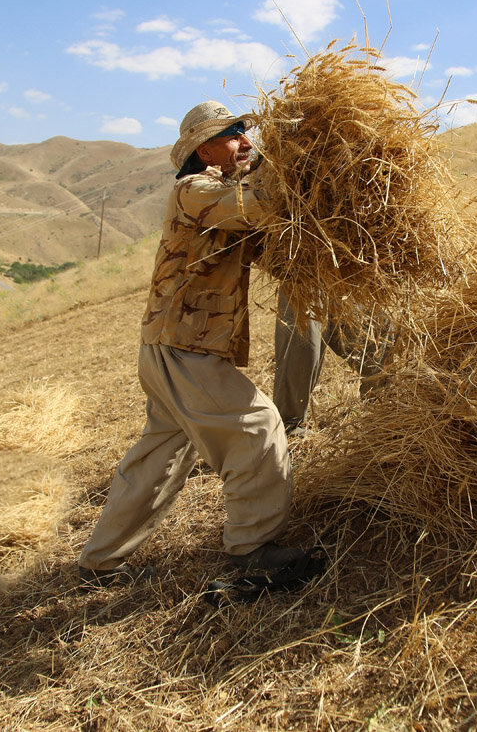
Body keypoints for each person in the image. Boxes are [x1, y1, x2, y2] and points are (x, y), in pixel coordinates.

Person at [77, 101, 313, 587]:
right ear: (203, 148)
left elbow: (266, 241)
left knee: (159, 456)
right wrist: (293, 152)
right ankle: (251, 553)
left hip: (172, 348)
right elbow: (259, 206)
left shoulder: (222, 198)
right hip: (183, 349)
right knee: (257, 428)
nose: (247, 142)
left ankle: (100, 561)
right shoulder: (195, 190)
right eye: (233, 135)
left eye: (247, 134)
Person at [273, 291, 390, 436]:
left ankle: (383, 407)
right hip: (305, 279)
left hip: (348, 279)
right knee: (305, 342)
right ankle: (289, 426)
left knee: (377, 330)